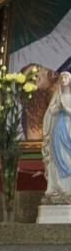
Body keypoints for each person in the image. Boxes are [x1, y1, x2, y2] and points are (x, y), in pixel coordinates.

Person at [42, 71, 71, 204]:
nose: (64, 79)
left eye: (67, 77)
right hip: (59, 129)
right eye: (62, 77)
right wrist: (58, 107)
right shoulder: (57, 96)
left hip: (69, 127)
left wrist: (67, 109)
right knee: (59, 156)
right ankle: (60, 189)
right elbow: (50, 112)